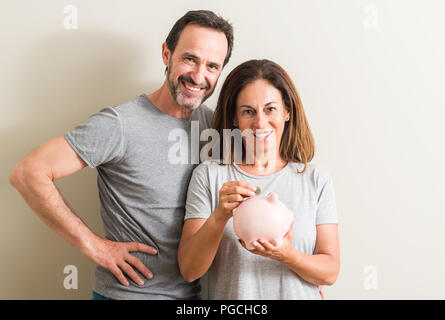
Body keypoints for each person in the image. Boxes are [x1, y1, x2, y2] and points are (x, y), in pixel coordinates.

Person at [9, 10, 234, 300]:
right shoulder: (120, 124)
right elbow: (28, 173)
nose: (199, 76)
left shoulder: (214, 128)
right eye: (190, 58)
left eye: (212, 66)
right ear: (167, 54)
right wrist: (92, 245)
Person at [178, 59, 340, 299]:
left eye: (270, 109)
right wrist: (220, 216)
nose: (260, 123)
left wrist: (287, 256)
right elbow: (190, 270)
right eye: (248, 112)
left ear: (287, 111)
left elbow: (330, 272)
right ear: (235, 118)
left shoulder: (315, 179)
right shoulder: (210, 176)